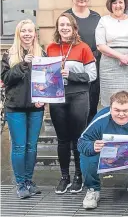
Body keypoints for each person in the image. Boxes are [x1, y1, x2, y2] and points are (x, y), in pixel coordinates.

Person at [78, 91, 128, 210]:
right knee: (86, 154)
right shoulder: (100, 119)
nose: (121, 114)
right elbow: (82, 142)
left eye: (125, 111)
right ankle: (93, 189)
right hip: (106, 154)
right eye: (117, 110)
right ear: (110, 108)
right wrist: (92, 146)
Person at [47, 13, 97, 194]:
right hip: (57, 97)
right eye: (61, 25)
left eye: (68, 24)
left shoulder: (83, 48)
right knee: (62, 139)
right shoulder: (51, 48)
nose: (65, 28)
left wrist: (72, 75)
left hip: (78, 96)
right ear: (57, 28)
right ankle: (64, 177)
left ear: (74, 28)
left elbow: (92, 75)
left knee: (77, 138)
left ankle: (78, 176)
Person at [1, 19, 45, 199]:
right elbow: (6, 78)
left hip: (36, 107)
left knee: (32, 146)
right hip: (15, 107)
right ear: (19, 34)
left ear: (35, 34)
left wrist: (44, 98)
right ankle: (20, 183)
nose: (27, 34)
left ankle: (28, 181)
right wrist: (22, 64)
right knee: (19, 146)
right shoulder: (8, 55)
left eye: (31, 31)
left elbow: (47, 79)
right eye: (24, 31)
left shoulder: (41, 53)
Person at [95, 0, 128, 106]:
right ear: (110, 4)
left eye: (120, 2)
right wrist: (120, 56)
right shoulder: (103, 20)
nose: (118, 6)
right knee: (111, 100)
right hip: (109, 66)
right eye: (114, 3)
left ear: (125, 4)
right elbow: (101, 45)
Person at [65, 0, 101, 125]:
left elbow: (101, 40)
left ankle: (89, 139)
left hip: (93, 63)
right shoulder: (66, 16)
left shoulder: (96, 17)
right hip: (74, 65)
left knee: (92, 102)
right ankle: (75, 141)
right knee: (75, 106)